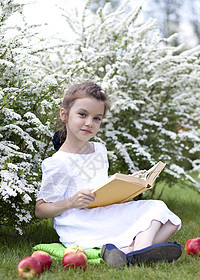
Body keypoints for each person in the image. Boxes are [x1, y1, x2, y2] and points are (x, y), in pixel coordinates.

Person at [35, 81, 182, 268]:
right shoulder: (56, 163)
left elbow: (101, 188)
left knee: (168, 218)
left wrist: (130, 184)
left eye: (97, 118)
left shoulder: (99, 150)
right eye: (82, 114)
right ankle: (140, 251)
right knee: (157, 214)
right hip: (80, 223)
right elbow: (41, 210)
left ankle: (130, 253)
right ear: (64, 114)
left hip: (103, 212)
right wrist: (72, 201)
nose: (90, 123)